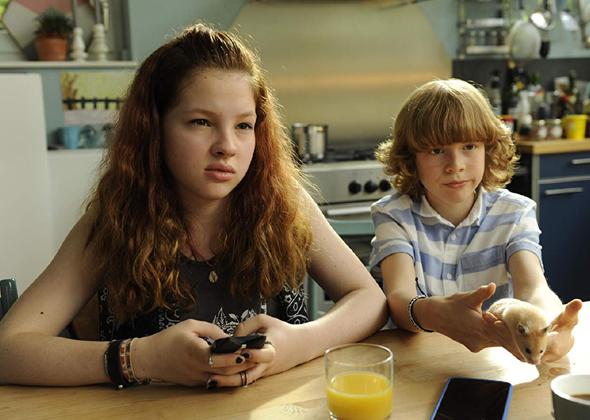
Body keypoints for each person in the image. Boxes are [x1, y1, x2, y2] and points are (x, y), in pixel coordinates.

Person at [0, 23, 387, 389]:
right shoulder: (114, 217)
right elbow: (8, 348)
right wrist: (142, 358)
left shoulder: (283, 201)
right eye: (201, 122)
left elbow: (369, 299)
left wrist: (298, 344)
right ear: (154, 128)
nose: (227, 146)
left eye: (243, 125)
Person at [369, 78, 582, 363]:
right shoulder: (394, 215)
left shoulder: (514, 213)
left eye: (469, 146)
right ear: (411, 158)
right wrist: (438, 314)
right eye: (436, 150)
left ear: (488, 149)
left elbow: (533, 287)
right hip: (415, 363)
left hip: (492, 366)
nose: (455, 165)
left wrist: (548, 324)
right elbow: (399, 298)